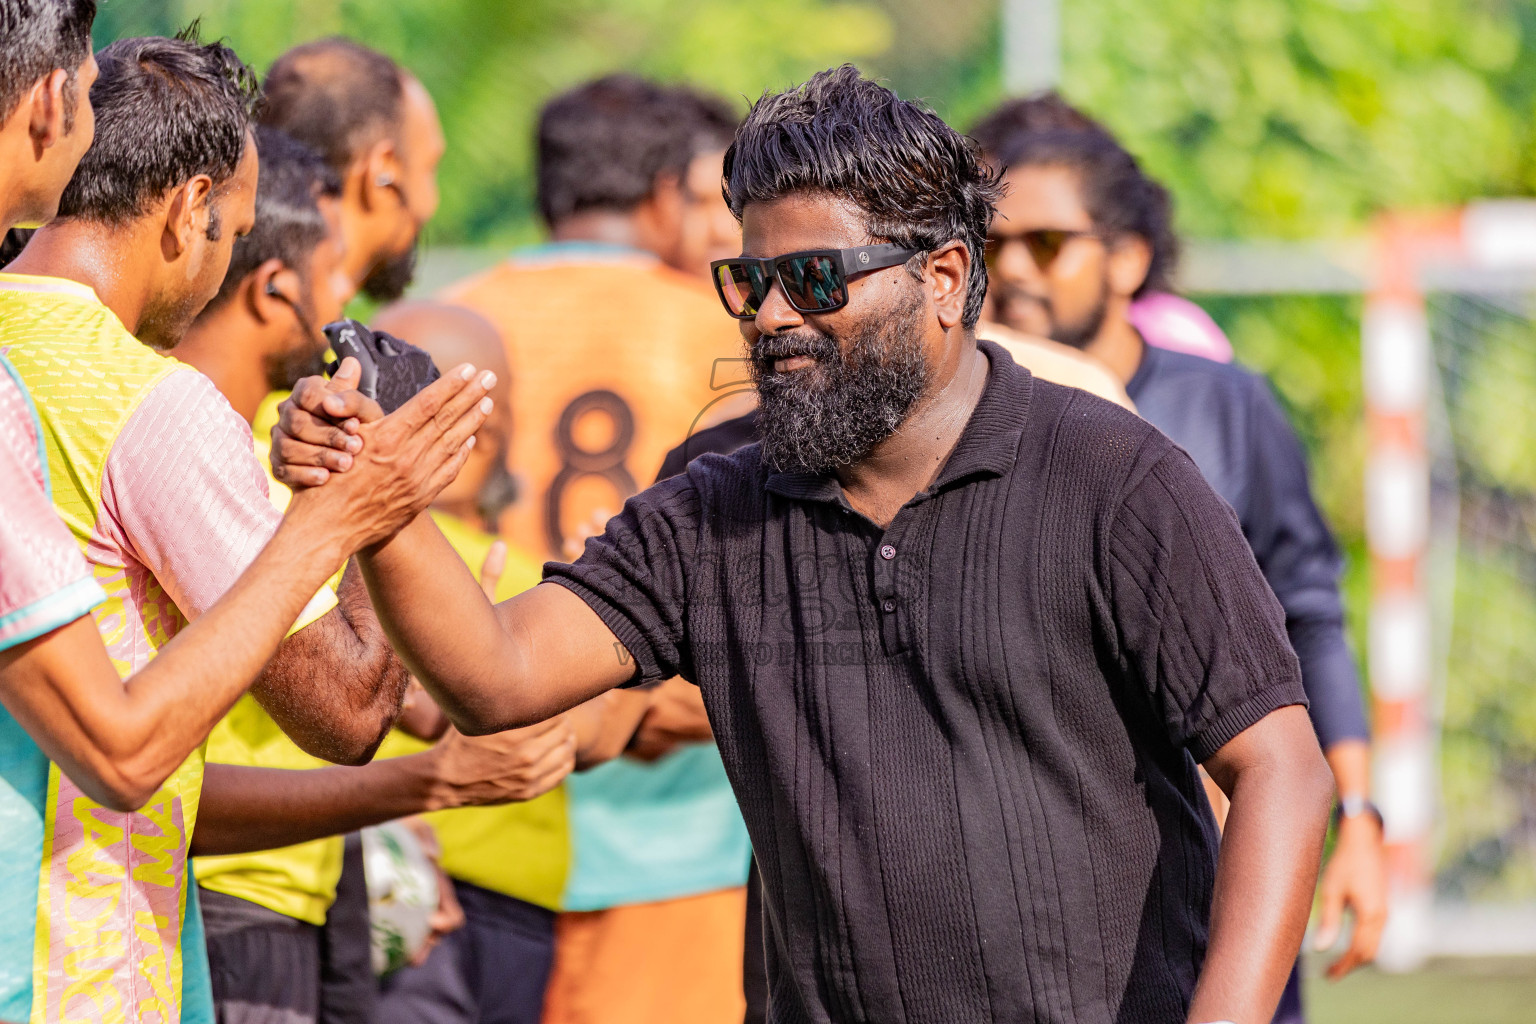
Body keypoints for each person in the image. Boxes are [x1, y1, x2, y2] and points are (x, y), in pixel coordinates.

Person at [279, 65, 1335, 1024]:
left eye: (819, 280)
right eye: (750, 281)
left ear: (945, 277)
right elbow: (494, 676)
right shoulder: (717, 501)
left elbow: (1280, 767)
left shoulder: (1114, 476)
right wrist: (382, 499)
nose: (773, 314)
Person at [0, 32, 499, 1023]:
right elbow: (349, 711)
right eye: (231, 229)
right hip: (77, 964)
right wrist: (372, 496)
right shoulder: (150, 399)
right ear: (190, 210)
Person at [969, 95, 1388, 1021]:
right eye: (991, 247)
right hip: (1047, 889)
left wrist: (1356, 817)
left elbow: (1307, 609)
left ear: (1126, 258)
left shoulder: (1226, 406)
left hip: (1231, 864)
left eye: (1044, 244)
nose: (1011, 273)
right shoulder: (950, 430)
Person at [171, 130, 580, 1024]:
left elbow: (414, 706)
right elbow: (354, 712)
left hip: (306, 889)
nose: (342, 313)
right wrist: (381, 485)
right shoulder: (220, 454)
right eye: (336, 278)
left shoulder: (265, 441)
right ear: (277, 288)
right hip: (236, 901)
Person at [439, 75, 754, 1024]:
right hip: (676, 839)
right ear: (667, 192)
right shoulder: (740, 330)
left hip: (475, 812)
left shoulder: (449, 319)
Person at [259, 37, 443, 302]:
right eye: (429, 168)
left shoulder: (236, 311)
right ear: (384, 171)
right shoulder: (310, 335)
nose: (431, 204)